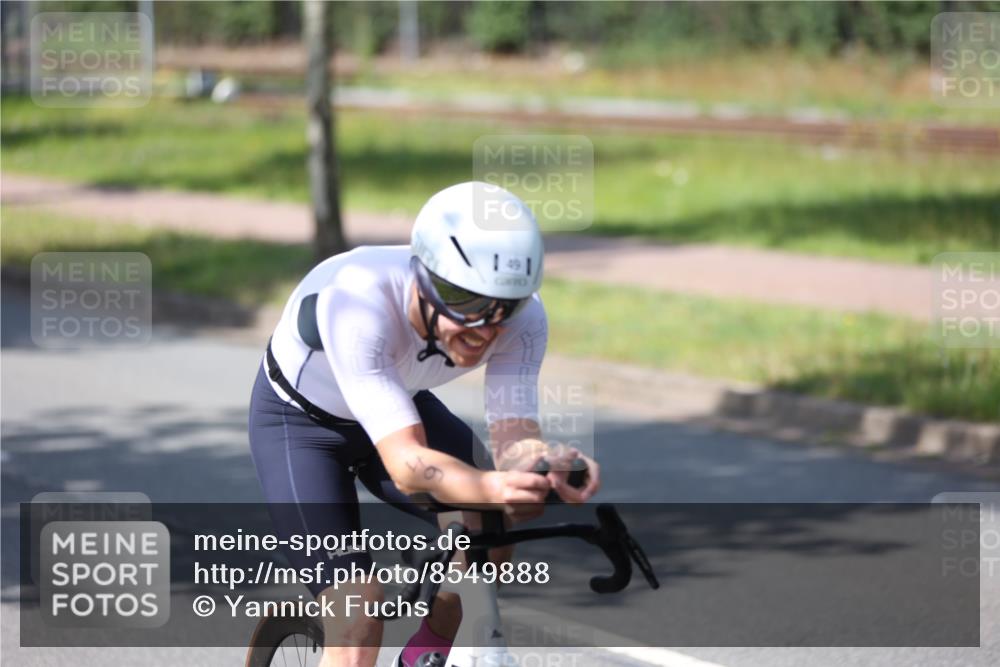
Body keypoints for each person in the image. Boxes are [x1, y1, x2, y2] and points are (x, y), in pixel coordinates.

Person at [248, 181, 601, 667]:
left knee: (488, 540)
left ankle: (423, 654)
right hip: (301, 427)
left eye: (506, 305)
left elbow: (514, 442)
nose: (484, 328)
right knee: (357, 616)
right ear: (424, 276)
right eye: (464, 299)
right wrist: (493, 485)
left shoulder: (524, 321)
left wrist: (542, 465)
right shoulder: (357, 298)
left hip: (397, 407)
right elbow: (409, 464)